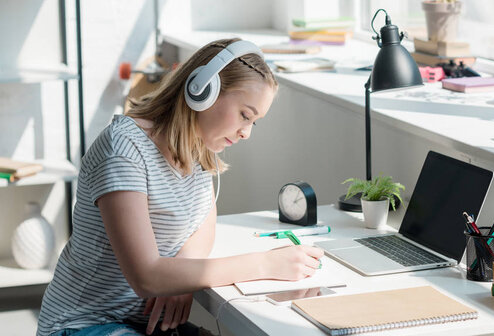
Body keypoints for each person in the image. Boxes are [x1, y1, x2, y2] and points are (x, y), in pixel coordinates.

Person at [37, 38, 324, 336]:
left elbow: (204, 221)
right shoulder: (123, 151)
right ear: (203, 91)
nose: (246, 132)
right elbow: (146, 277)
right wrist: (265, 264)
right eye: (245, 115)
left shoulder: (197, 148)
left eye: (255, 122)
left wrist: (185, 272)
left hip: (144, 324)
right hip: (82, 325)